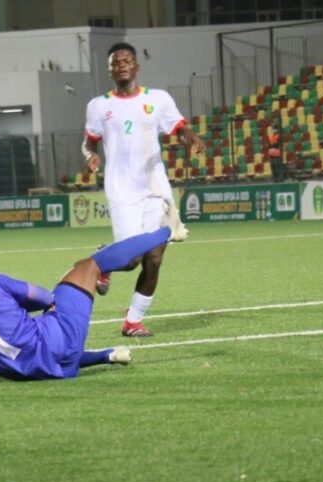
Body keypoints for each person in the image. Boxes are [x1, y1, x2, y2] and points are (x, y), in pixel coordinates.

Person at [0, 201, 187, 385]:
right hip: (60, 342)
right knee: (89, 266)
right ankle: (168, 232)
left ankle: (107, 356)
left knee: (38, 348)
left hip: (41, 372)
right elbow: (45, 297)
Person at [82, 42, 205, 338]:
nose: (121, 65)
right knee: (130, 259)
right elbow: (89, 141)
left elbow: (179, 126)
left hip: (155, 188)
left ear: (136, 66)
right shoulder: (99, 105)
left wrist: (190, 136)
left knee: (155, 258)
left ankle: (132, 321)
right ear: (110, 70)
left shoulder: (158, 99)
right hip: (121, 189)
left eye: (126, 60)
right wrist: (90, 156)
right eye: (115, 62)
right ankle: (104, 260)